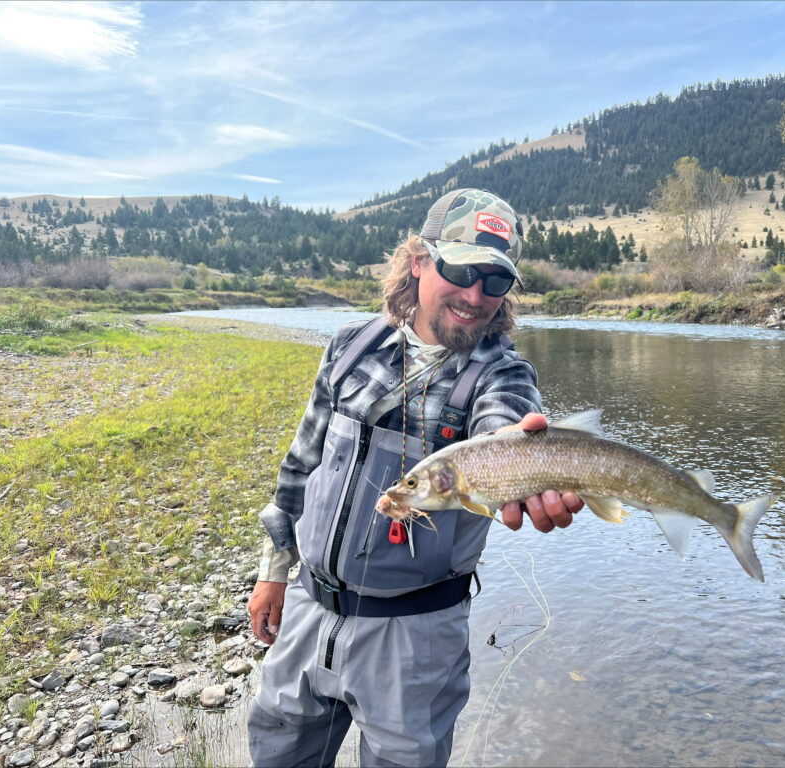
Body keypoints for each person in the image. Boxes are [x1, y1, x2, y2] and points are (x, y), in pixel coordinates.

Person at [246, 188, 583, 768]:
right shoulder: (350, 347)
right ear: (421, 259)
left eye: (495, 281)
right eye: (462, 270)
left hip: (415, 639)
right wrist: (275, 572)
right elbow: (300, 467)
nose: (475, 296)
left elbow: (506, 420)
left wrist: (518, 456)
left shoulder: (500, 373)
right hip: (308, 607)